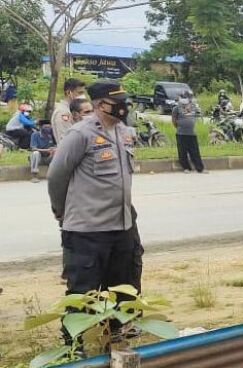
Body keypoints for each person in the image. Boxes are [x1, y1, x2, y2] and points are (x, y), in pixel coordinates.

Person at [47, 79, 140, 349]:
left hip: (122, 226)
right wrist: (61, 211)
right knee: (84, 293)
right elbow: (56, 175)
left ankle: (115, 338)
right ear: (101, 104)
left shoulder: (124, 132)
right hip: (87, 231)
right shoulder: (81, 134)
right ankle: (75, 346)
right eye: (118, 102)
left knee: (123, 287)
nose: (124, 106)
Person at [172, 93, 205, 173]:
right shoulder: (176, 108)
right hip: (181, 133)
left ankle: (199, 168)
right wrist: (179, 127)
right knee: (182, 152)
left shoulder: (193, 107)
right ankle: (186, 168)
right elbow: (174, 120)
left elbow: (199, 115)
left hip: (192, 133)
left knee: (195, 151)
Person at [52, 78, 87, 144]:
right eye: (80, 93)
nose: (83, 96)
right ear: (68, 93)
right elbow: (66, 140)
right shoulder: (63, 113)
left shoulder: (71, 110)